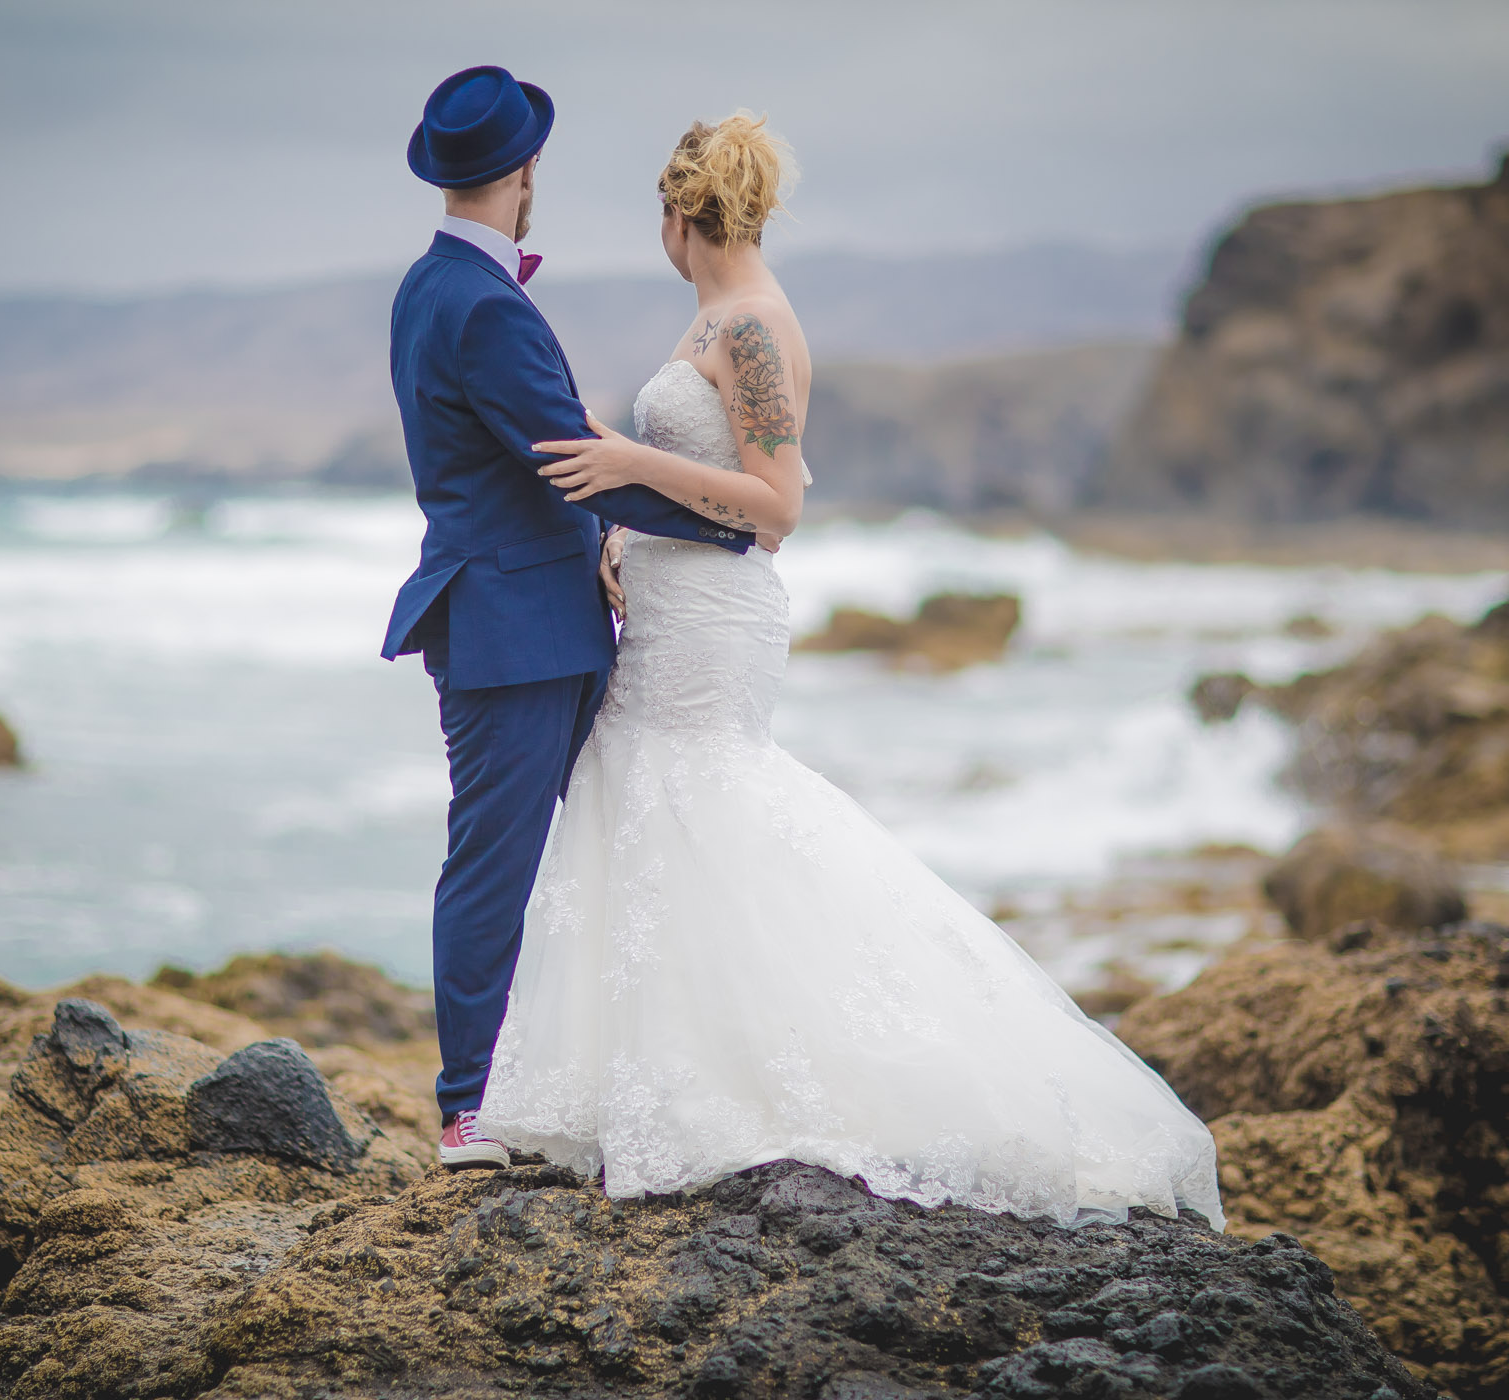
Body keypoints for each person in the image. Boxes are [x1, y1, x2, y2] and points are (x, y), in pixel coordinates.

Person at [476, 112, 1224, 1229]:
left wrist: (628, 461)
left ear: (679, 214)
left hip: (715, 628)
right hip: (673, 607)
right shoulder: (715, 319)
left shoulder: (753, 327)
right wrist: (623, 535)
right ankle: (656, 1085)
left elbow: (778, 507)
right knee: (647, 805)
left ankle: (762, 1080)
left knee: (704, 803)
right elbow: (706, 476)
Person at [386, 66, 756, 1169]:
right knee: (495, 865)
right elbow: (572, 460)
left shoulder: (430, 286)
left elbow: (543, 460)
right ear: (527, 171)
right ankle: (467, 1106)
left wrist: (621, 536)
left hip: (532, 616)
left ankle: (583, 1077)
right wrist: (733, 522)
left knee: (598, 854)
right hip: (516, 631)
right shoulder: (482, 304)